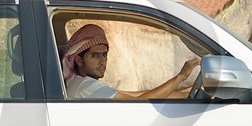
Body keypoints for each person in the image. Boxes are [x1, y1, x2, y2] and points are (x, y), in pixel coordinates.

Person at [59, 23, 199, 99]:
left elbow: (132, 94)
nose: (102, 61)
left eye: (104, 55)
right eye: (95, 56)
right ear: (78, 60)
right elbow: (141, 103)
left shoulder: (81, 83)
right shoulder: (86, 86)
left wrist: (186, 96)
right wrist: (181, 77)